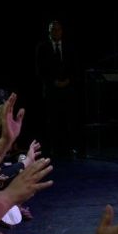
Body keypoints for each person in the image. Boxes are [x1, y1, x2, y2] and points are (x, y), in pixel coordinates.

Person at [35, 20, 78, 157]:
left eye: (58, 29)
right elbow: (40, 70)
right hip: (51, 90)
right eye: (53, 30)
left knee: (68, 119)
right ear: (49, 32)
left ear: (62, 31)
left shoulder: (69, 47)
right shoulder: (42, 47)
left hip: (67, 89)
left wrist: (68, 81)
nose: (56, 32)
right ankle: (52, 149)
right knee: (52, 120)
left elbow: (74, 67)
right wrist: (53, 82)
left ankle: (68, 148)